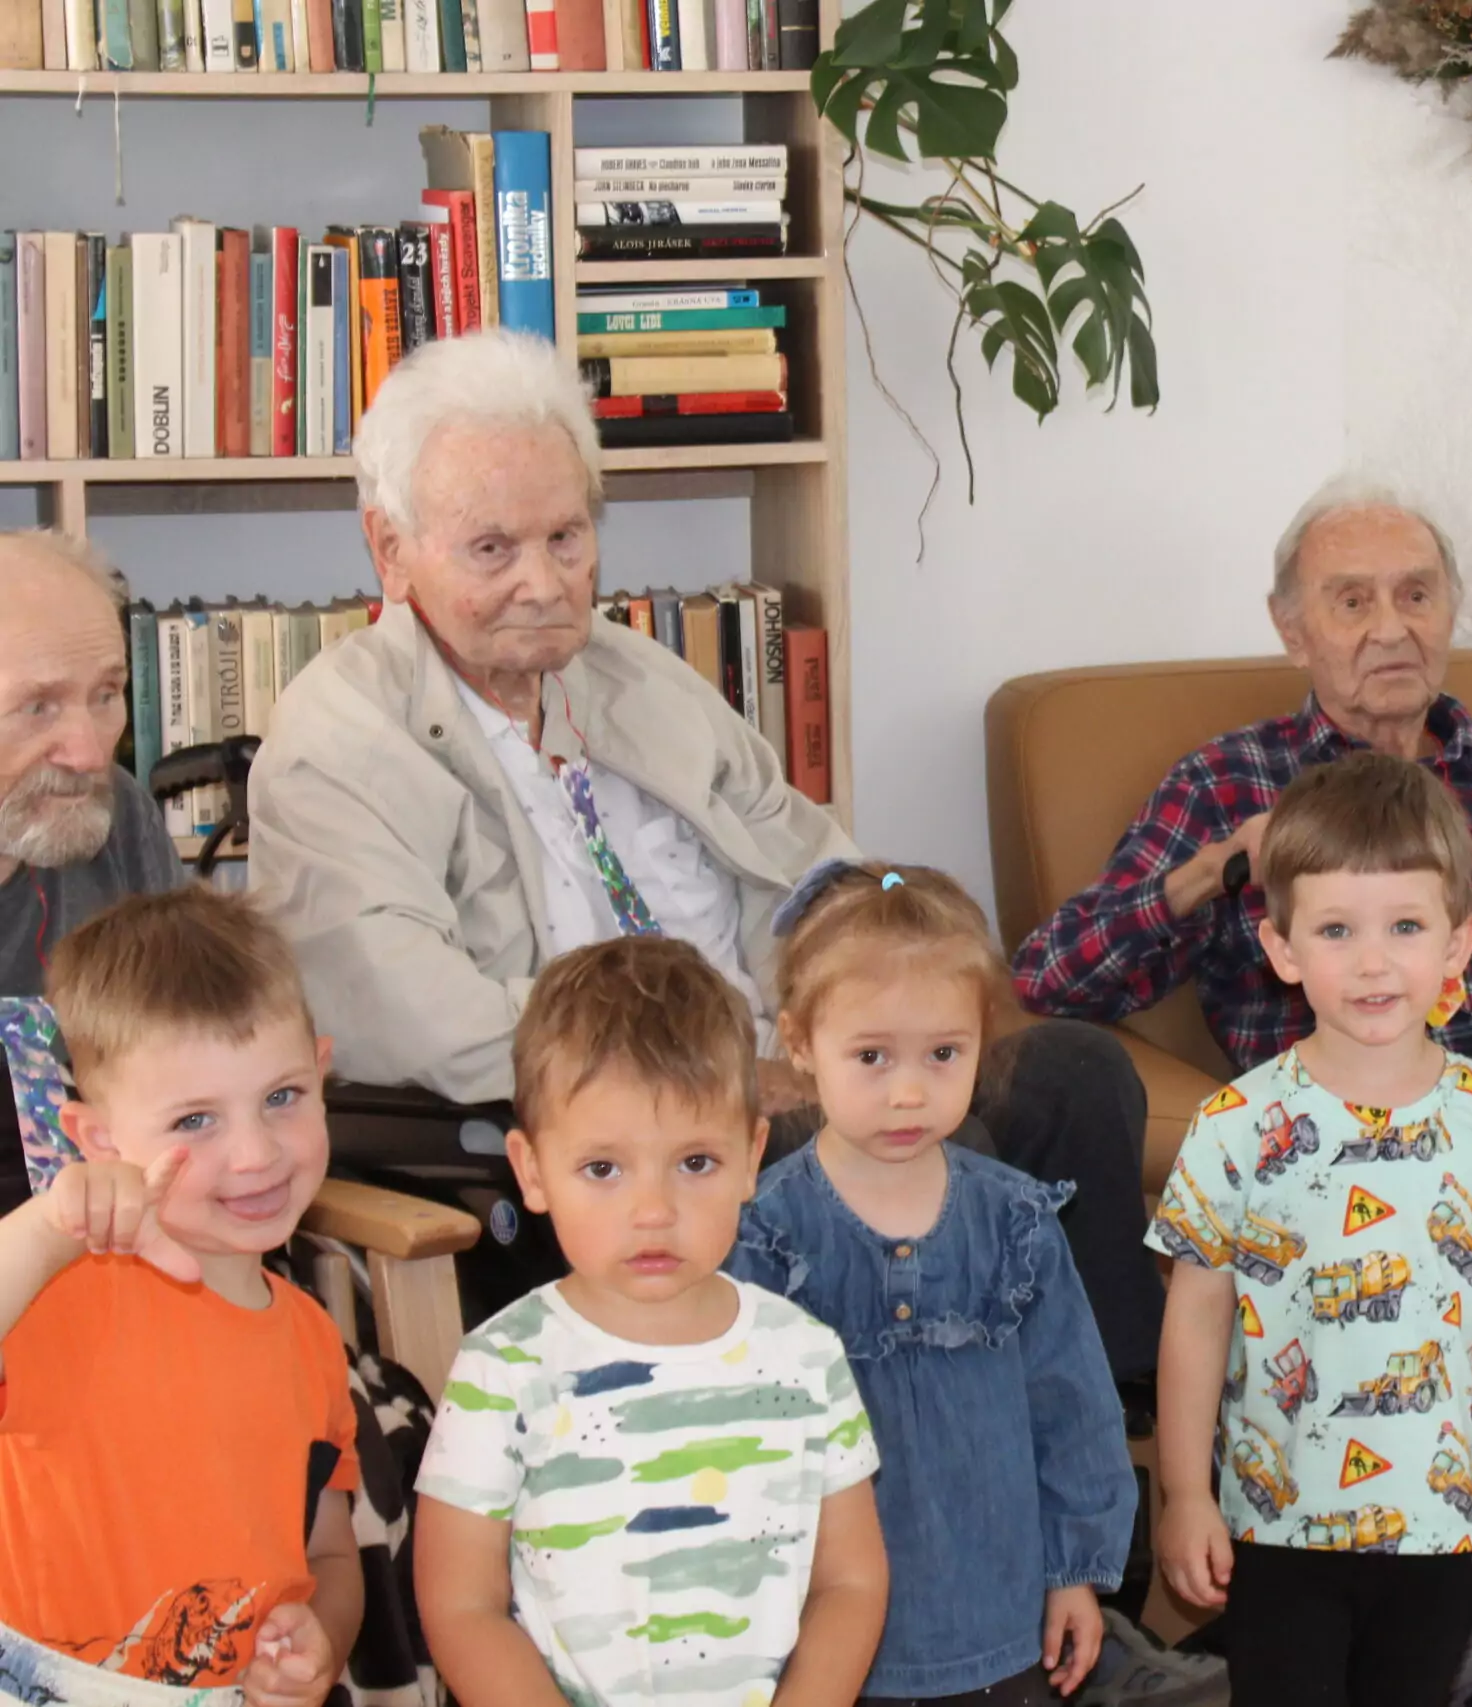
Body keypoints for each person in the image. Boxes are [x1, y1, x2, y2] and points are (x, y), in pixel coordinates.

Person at [247, 329, 1161, 1387]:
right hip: (626, 1146)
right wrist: (721, 1083)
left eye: (566, 538)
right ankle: (941, 1471)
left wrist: (893, 935)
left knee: (1071, 1076)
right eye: (492, 549)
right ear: (391, 548)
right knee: (935, 1168)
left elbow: (815, 866)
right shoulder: (338, 741)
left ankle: (1110, 1431)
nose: (543, 583)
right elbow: (421, 1021)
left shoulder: (631, 674)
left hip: (789, 1068)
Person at [1148, 751, 1472, 1707]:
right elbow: (1195, 1317)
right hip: (1276, 1523)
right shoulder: (1236, 1125)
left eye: (1405, 926)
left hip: (1442, 1523)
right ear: (1283, 948)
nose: (1373, 961)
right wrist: (1184, 1493)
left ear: (1460, 942)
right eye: (1337, 929)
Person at [1012, 477, 1472, 1096]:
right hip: (1345, 1129)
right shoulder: (1228, 783)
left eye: (1415, 595)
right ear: (1291, 631)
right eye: (1352, 602)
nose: (1391, 629)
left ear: (1450, 612)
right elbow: (1048, 977)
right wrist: (1217, 870)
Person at [413, 935, 890, 1707]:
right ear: (532, 1169)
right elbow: (462, 1605)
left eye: (695, 1162)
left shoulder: (806, 1356)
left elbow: (852, 1581)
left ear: (750, 1155)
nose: (654, 1210)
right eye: (603, 1168)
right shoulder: (502, 1367)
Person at [725, 861, 1136, 1707]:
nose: (909, 1091)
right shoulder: (766, 1230)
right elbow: (737, 1441)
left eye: (944, 1053)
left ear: (982, 1039)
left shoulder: (1017, 1220)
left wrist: (1074, 1571)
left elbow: (1073, 1405)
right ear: (799, 1044)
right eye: (871, 1056)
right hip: (828, 1643)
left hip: (1000, 1619)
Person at [0, 886, 358, 1706]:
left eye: (282, 1096)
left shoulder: (313, 1339)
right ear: (98, 1139)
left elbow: (330, 1554)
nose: (255, 1153)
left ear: (322, 1072)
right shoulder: (58, 1294)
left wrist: (322, 1641)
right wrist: (50, 1228)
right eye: (196, 1120)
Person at [0, 531, 184, 1216]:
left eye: (106, 694)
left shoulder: (117, 817)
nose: (87, 753)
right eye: (38, 707)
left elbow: (201, 1065)